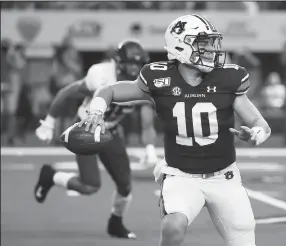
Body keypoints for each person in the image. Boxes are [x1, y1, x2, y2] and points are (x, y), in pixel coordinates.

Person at [81, 15, 271, 246]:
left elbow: (260, 123)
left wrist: (256, 134)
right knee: (173, 225)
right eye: (203, 44)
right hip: (180, 176)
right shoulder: (159, 78)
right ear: (180, 45)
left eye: (212, 43)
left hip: (224, 177)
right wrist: (96, 112)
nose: (211, 50)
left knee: (243, 239)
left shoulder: (228, 78)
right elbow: (107, 90)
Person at [33, 40, 158, 239]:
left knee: (125, 186)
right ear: (118, 62)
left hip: (111, 131)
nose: (135, 68)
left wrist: (150, 149)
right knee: (90, 186)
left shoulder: (144, 82)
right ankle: (51, 176)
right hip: (86, 127)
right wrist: (49, 122)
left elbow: (147, 121)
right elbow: (67, 92)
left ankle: (115, 223)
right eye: (130, 63)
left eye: (138, 64)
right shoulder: (101, 75)